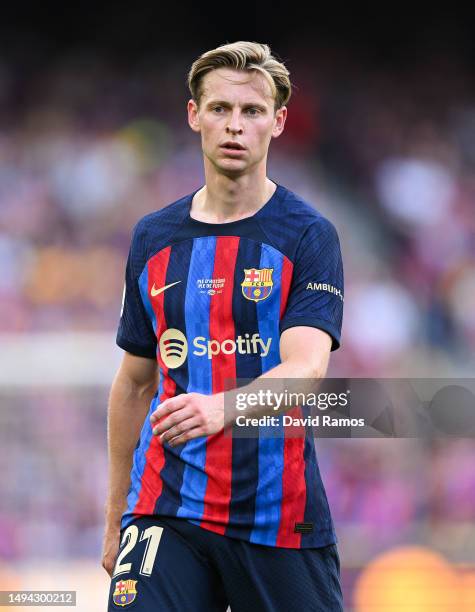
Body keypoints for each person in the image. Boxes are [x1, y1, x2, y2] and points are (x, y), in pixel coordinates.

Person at [103, 40, 345, 611]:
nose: (234, 126)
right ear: (195, 116)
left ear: (278, 122)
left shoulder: (308, 236)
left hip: (275, 515)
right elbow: (135, 382)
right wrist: (117, 515)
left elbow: (307, 367)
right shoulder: (153, 237)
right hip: (166, 510)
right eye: (220, 109)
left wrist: (219, 408)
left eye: (252, 111)